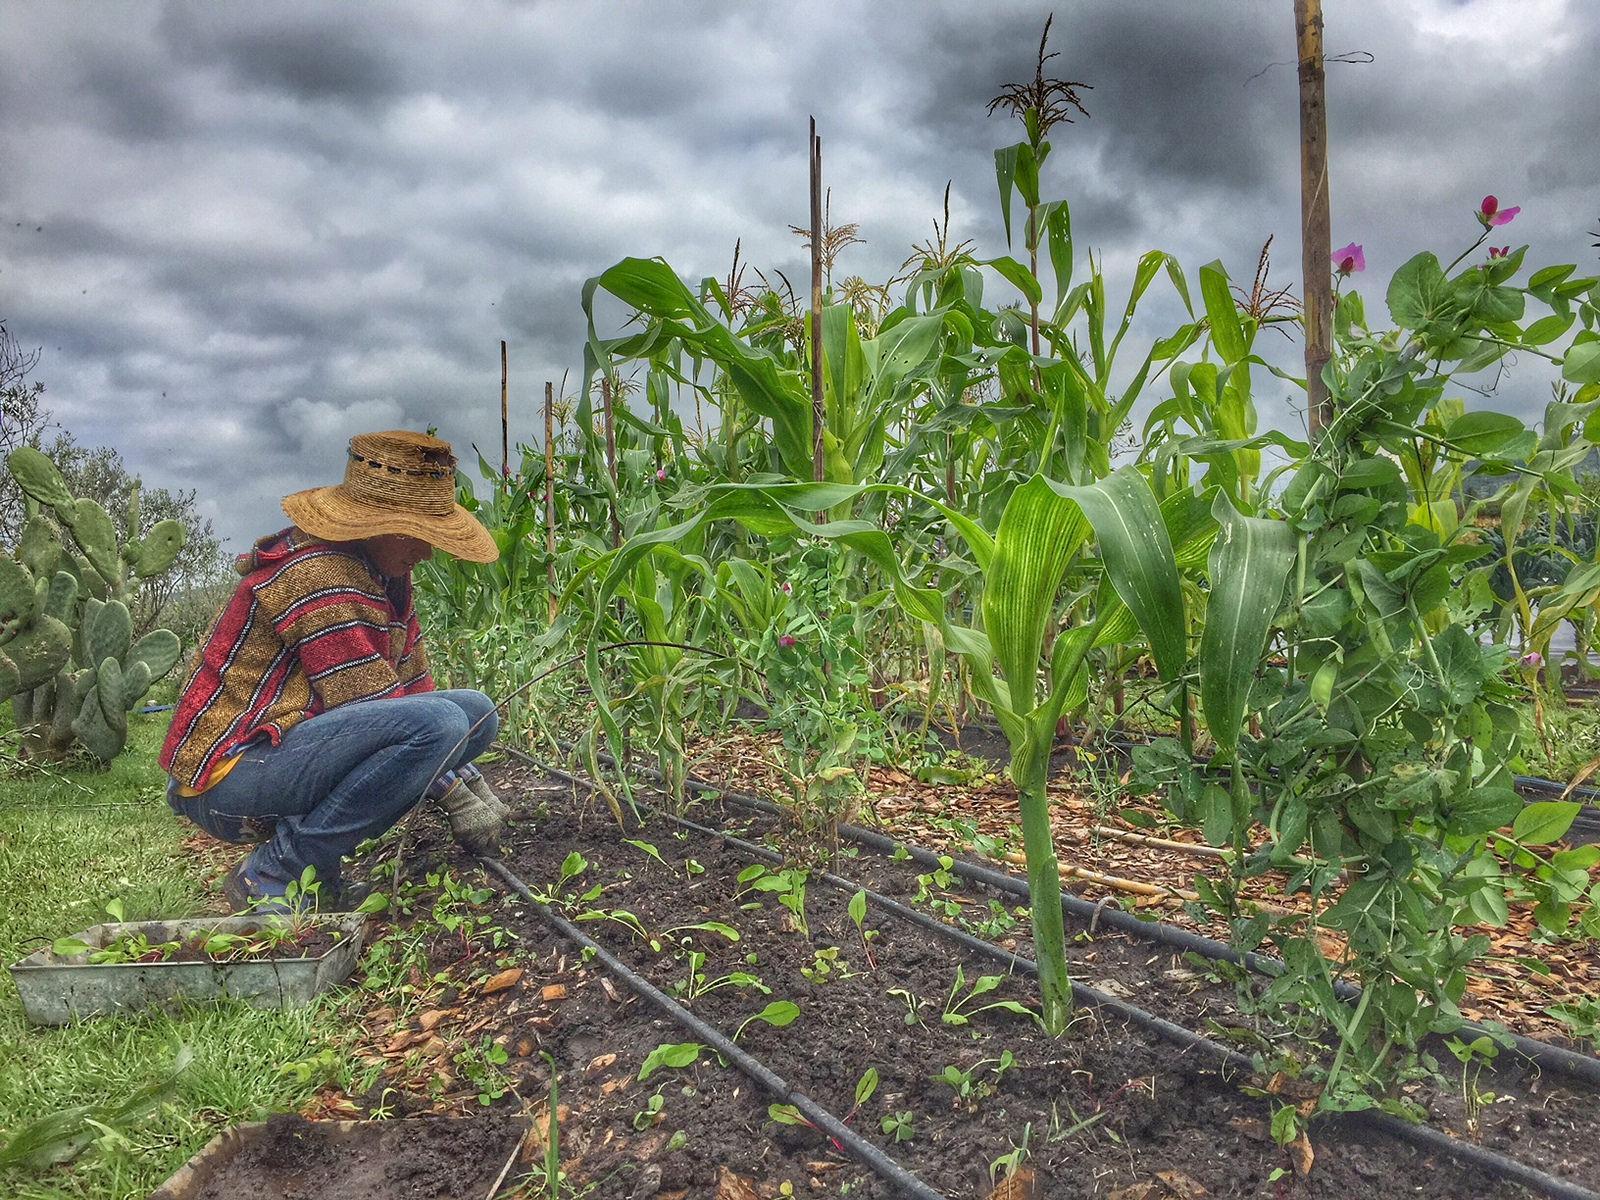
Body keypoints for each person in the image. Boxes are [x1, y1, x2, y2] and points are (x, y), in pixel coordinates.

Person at [160, 430, 507, 912]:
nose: (427, 552)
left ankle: (315, 875)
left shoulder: (385, 576)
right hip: (229, 776)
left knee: (476, 712)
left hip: (288, 754)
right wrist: (455, 791)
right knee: (445, 725)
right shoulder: (321, 575)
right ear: (373, 525)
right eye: (418, 535)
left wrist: (466, 772)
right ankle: (278, 869)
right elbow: (374, 709)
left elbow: (414, 694)